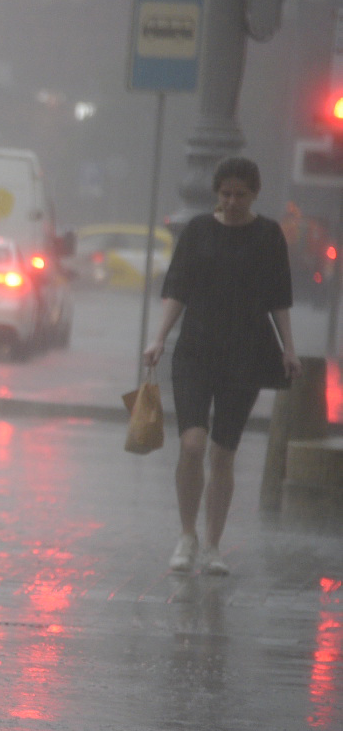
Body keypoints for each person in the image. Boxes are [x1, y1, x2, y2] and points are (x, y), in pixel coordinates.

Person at [143, 157, 299, 575]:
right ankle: (186, 535)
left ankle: (213, 544)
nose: (231, 202)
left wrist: (289, 348)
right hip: (195, 349)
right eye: (225, 194)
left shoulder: (268, 235)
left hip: (245, 353)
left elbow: (279, 297)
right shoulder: (198, 231)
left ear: (254, 195)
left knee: (224, 454)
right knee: (192, 444)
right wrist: (159, 338)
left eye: (240, 195)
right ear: (217, 193)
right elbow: (177, 287)